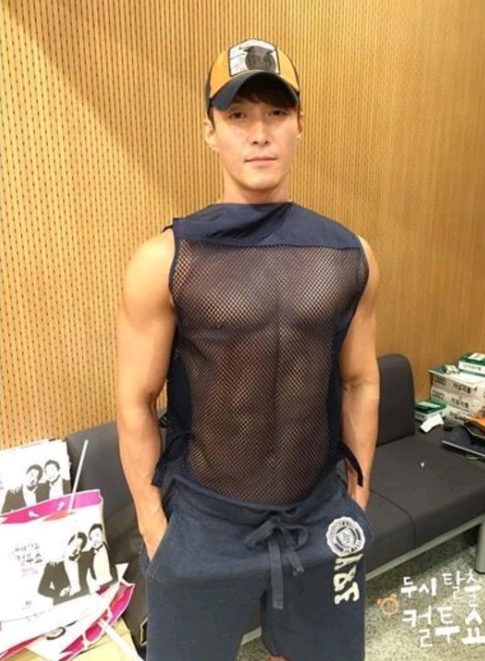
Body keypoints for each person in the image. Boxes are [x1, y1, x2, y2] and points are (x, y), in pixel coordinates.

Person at [116, 38, 379, 661]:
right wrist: (154, 526)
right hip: (204, 526)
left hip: (319, 515)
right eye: (237, 115)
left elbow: (360, 381)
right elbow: (134, 400)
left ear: (299, 125)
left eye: (276, 113)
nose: (259, 133)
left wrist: (357, 500)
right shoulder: (166, 260)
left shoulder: (348, 254)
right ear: (210, 132)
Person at [38, 532, 92, 605]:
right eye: (74, 544)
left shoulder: (83, 559)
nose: (76, 548)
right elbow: (42, 589)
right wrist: (59, 593)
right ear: (68, 544)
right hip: (64, 603)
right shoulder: (53, 564)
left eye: (80, 546)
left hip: (83, 598)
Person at [87, 523, 118, 588]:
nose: (95, 540)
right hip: (100, 585)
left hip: (113, 581)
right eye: (91, 538)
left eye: (97, 535)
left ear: (102, 534)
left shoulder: (109, 546)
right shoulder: (90, 553)